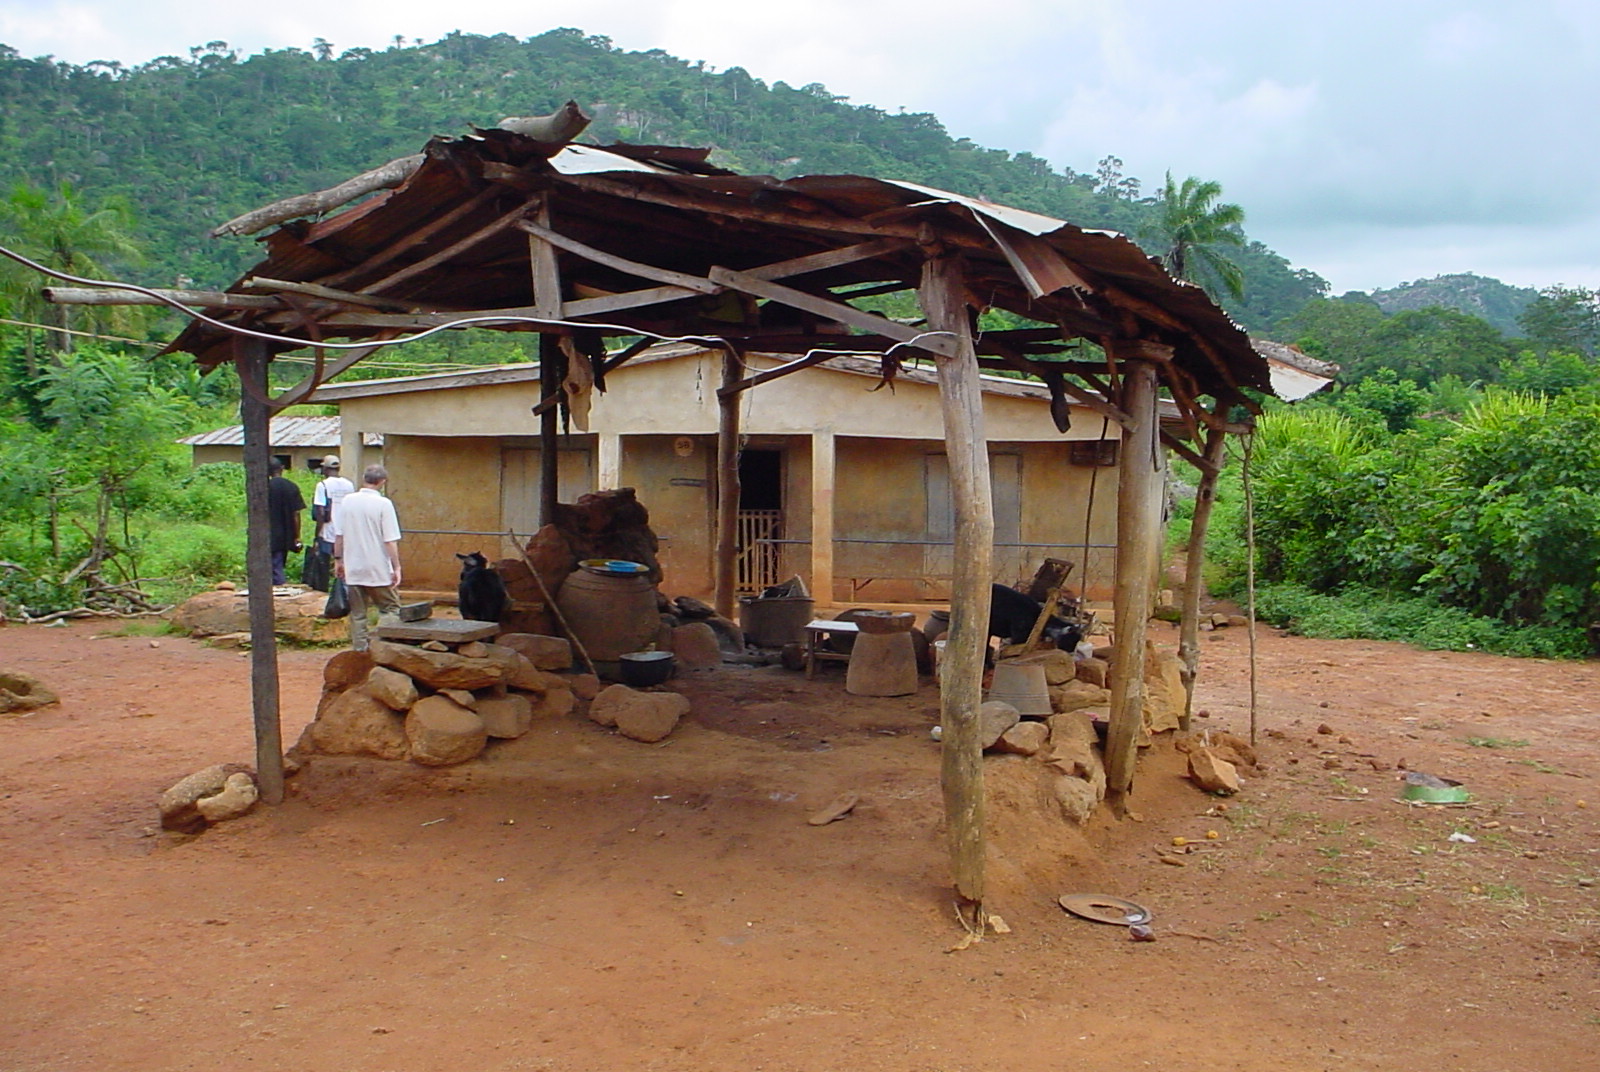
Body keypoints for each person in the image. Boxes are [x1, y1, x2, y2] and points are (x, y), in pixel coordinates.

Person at [333, 463, 402, 652]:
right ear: (383, 482)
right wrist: (396, 567)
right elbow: (390, 540)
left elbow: (339, 535)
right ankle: (386, 647)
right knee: (390, 608)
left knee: (358, 613)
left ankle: (360, 650)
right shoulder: (384, 504)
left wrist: (338, 560)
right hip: (377, 566)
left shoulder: (347, 501)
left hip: (354, 566)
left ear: (364, 479)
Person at [307, 455, 354, 592]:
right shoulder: (349, 484)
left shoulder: (322, 486)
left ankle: (324, 591)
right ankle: (344, 591)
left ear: (325, 469)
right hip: (345, 530)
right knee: (343, 563)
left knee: (324, 563)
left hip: (329, 530)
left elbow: (321, 512)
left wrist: (317, 535)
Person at [266, 459, 305, 586]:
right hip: (287, 533)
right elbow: (296, 514)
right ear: (282, 468)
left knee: (273, 566)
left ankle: (277, 587)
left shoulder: (264, 488)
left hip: (267, 532)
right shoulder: (291, 486)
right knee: (278, 563)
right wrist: (297, 535)